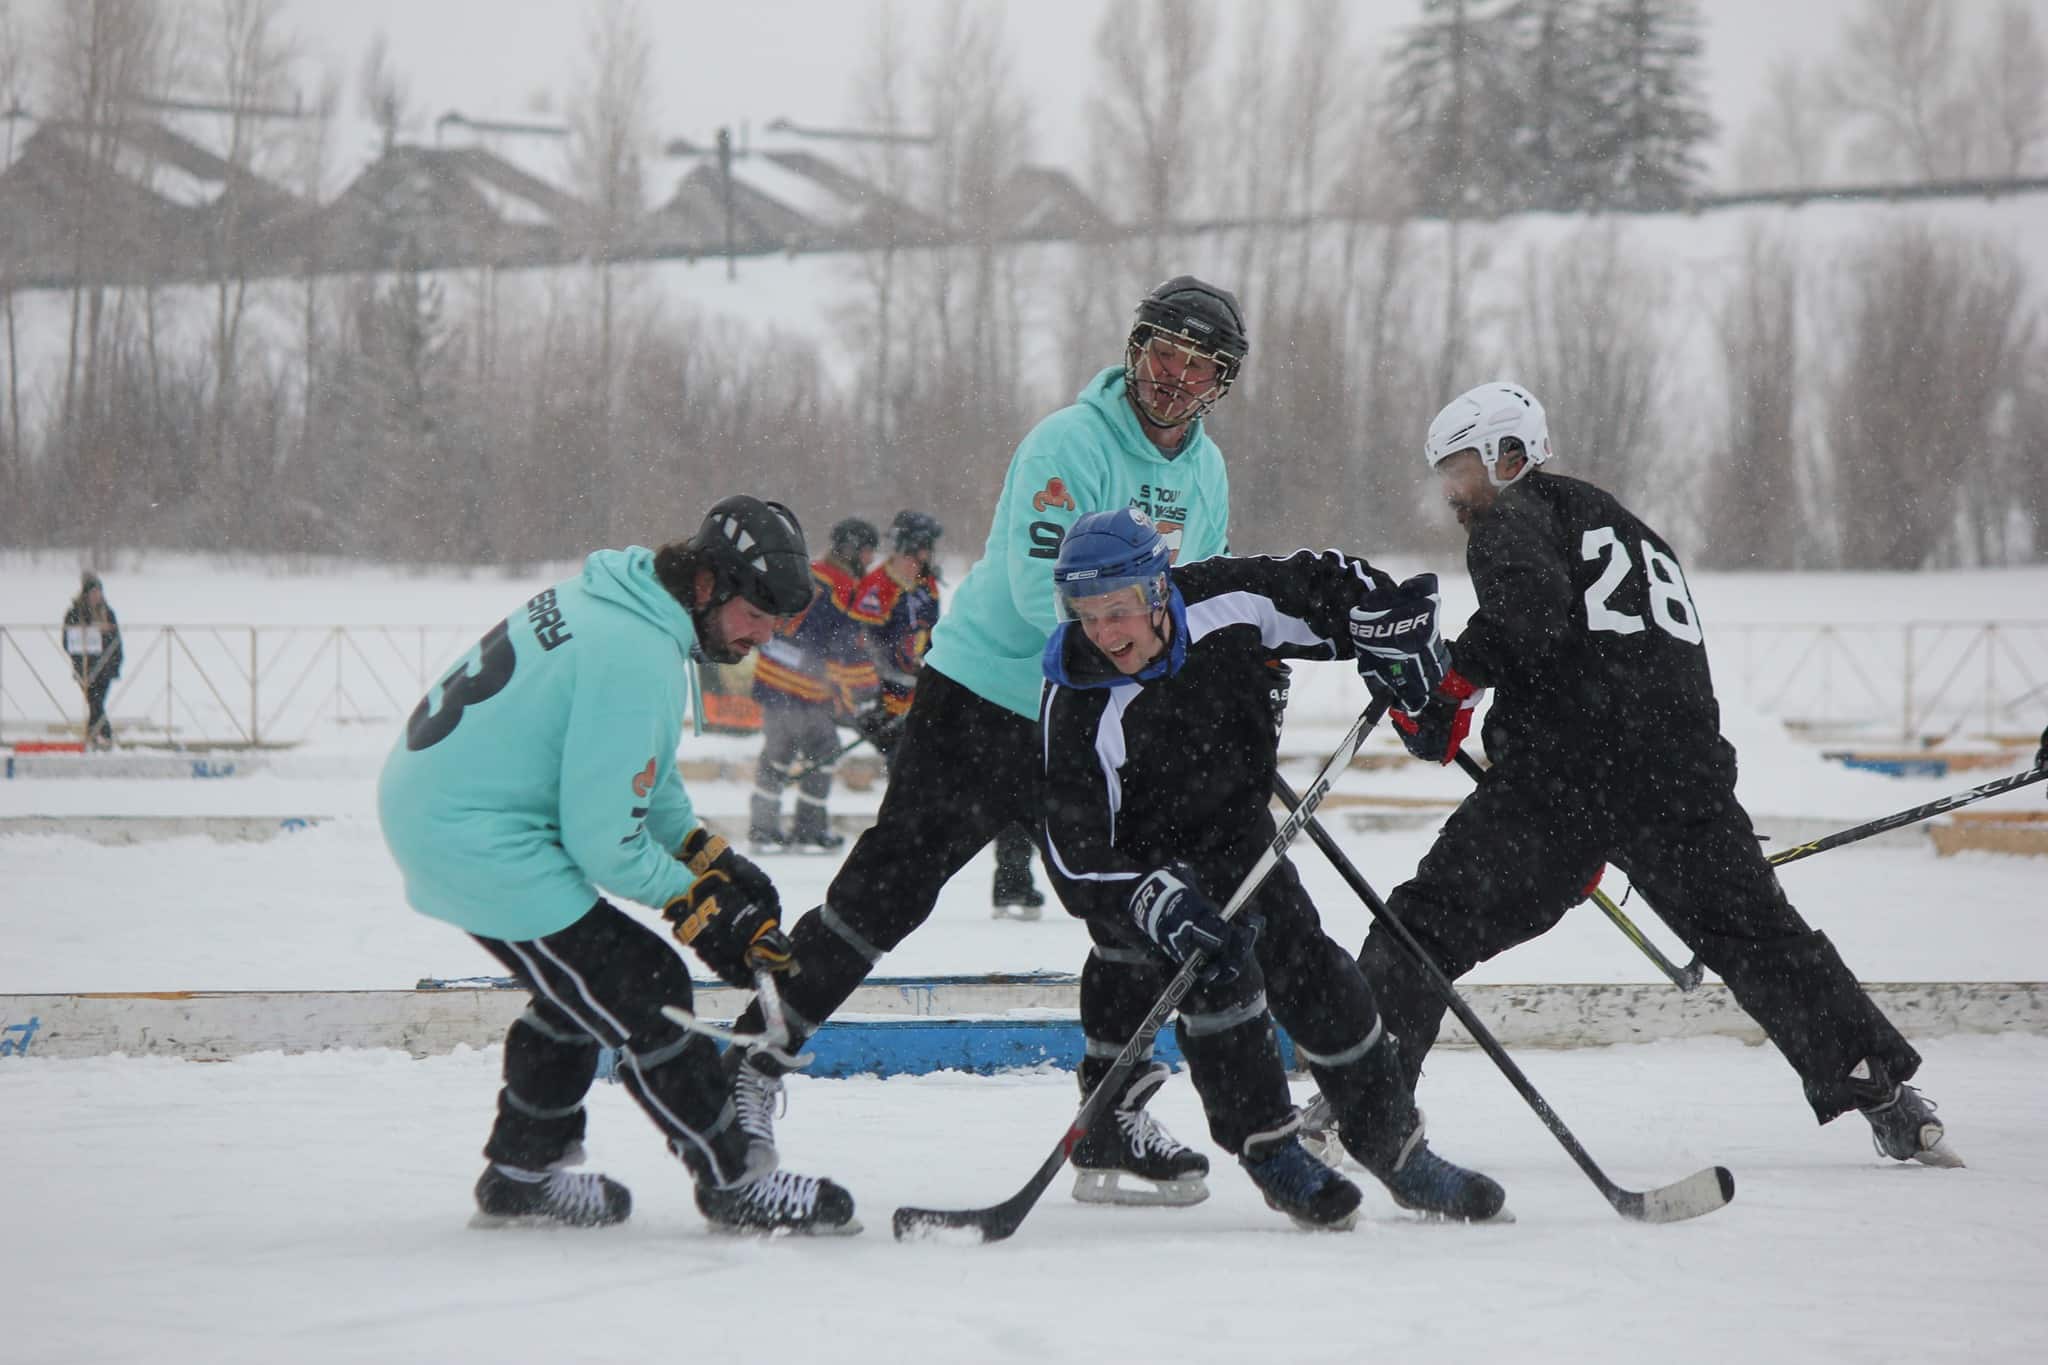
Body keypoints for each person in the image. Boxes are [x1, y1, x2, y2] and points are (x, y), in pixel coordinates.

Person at [1319, 381, 1962, 1169]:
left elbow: (1531, 616)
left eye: (1459, 469)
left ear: (1507, 456)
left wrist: (1449, 683)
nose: (1452, 492)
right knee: (1762, 939)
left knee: (1420, 927)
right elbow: (1617, 648)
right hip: (1685, 779)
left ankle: (1363, 1104)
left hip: (1568, 782)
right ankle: (1889, 1096)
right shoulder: (1627, 528)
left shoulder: (1510, 517)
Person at [725, 276, 1247, 1206]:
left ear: (1220, 382)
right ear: (1135, 350)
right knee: (885, 895)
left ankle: (1113, 1113)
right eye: (1162, 353)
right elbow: (1034, 592)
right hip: (986, 706)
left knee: (1132, 906)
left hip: (1092, 724)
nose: (1172, 378)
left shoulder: (1205, 475)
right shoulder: (1069, 443)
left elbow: (1190, 601)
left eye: (1196, 366)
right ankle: (746, 1070)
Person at [377, 496, 863, 1235]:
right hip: (472, 835)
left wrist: (707, 857)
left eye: (776, 620)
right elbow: (606, 843)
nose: (762, 637)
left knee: (582, 986)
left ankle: (520, 1172)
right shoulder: (639, 653)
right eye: (756, 611)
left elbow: (640, 769)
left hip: (450, 809)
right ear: (705, 584)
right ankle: (736, 1181)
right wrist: (701, 907)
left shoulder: (628, 605)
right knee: (644, 984)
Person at [1038, 509, 1506, 1226]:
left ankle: (1394, 1146)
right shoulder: (1076, 694)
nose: (1103, 632)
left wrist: (1388, 622)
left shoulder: (1226, 602)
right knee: (1222, 981)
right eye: (1087, 614)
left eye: (1119, 609)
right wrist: (1151, 899)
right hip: (1154, 867)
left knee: (1315, 968)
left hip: (1238, 834)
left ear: (1159, 591)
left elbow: (1323, 586)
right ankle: (1270, 1148)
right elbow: (1072, 850)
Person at [851, 509, 1047, 920]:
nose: (923, 557)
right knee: (912, 799)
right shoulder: (878, 586)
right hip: (885, 706)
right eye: (918, 549)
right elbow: (860, 648)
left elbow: (937, 641)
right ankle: (888, 885)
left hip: (926, 704)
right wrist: (869, 701)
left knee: (1002, 787)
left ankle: (1013, 878)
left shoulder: (927, 586)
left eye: (925, 550)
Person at [748, 516, 881, 853]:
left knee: (777, 754)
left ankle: (763, 828)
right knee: (823, 750)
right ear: (852, 551)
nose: (870, 560)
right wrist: (865, 695)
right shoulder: (843, 589)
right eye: (867, 552)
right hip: (803, 688)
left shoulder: (808, 572)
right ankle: (808, 829)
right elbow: (845, 651)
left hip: (772, 677)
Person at [64, 572, 123, 750]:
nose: (97, 595)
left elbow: (116, 640)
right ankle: (101, 735)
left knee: (96, 702)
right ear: (86, 593)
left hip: (106, 665)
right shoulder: (75, 613)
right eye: (93, 592)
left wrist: (116, 662)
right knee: (94, 702)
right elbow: (68, 640)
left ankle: (98, 735)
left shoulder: (108, 612)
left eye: (99, 591)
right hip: (86, 666)